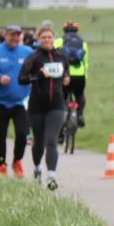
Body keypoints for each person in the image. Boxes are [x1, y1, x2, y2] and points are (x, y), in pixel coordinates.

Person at [20, 26, 71, 190]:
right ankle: (36, 168)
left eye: (49, 37)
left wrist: (67, 79)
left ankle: (51, 176)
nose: (47, 40)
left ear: (54, 38)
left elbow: (66, 74)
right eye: (43, 37)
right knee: (39, 141)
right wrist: (39, 76)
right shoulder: (33, 58)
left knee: (51, 140)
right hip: (37, 105)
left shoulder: (62, 56)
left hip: (56, 104)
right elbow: (21, 79)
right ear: (38, 39)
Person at [0, 25, 32, 177]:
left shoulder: (27, 52)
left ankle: (17, 160)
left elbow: (36, 69)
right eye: (12, 35)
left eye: (18, 36)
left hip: (20, 101)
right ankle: (1, 164)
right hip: (0, 101)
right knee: (0, 135)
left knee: (23, 134)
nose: (15, 38)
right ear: (6, 35)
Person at [54, 21, 88, 127]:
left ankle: (60, 127)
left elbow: (53, 57)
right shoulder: (83, 42)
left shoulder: (59, 41)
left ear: (64, 31)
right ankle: (80, 115)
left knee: (62, 98)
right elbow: (85, 62)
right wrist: (85, 75)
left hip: (64, 74)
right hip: (79, 74)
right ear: (77, 31)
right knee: (80, 95)